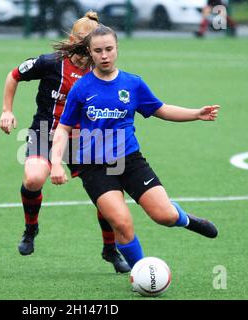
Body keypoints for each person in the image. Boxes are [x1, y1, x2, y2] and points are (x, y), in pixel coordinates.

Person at [50, 24, 219, 269]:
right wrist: (56, 163)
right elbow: (63, 128)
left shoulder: (133, 83)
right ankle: (141, 272)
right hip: (94, 167)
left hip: (130, 161)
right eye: (98, 51)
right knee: (121, 223)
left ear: (117, 49)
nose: (104, 55)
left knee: (165, 216)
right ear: (90, 52)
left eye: (109, 49)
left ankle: (184, 219)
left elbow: (160, 109)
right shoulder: (82, 88)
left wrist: (196, 114)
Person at [0, 12, 130, 273]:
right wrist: (6, 110)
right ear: (72, 41)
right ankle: (30, 229)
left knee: (108, 198)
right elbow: (14, 75)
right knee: (34, 179)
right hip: (45, 131)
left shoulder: (100, 70)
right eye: (81, 48)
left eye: (90, 49)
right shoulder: (50, 63)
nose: (86, 55)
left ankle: (109, 249)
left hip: (86, 138)